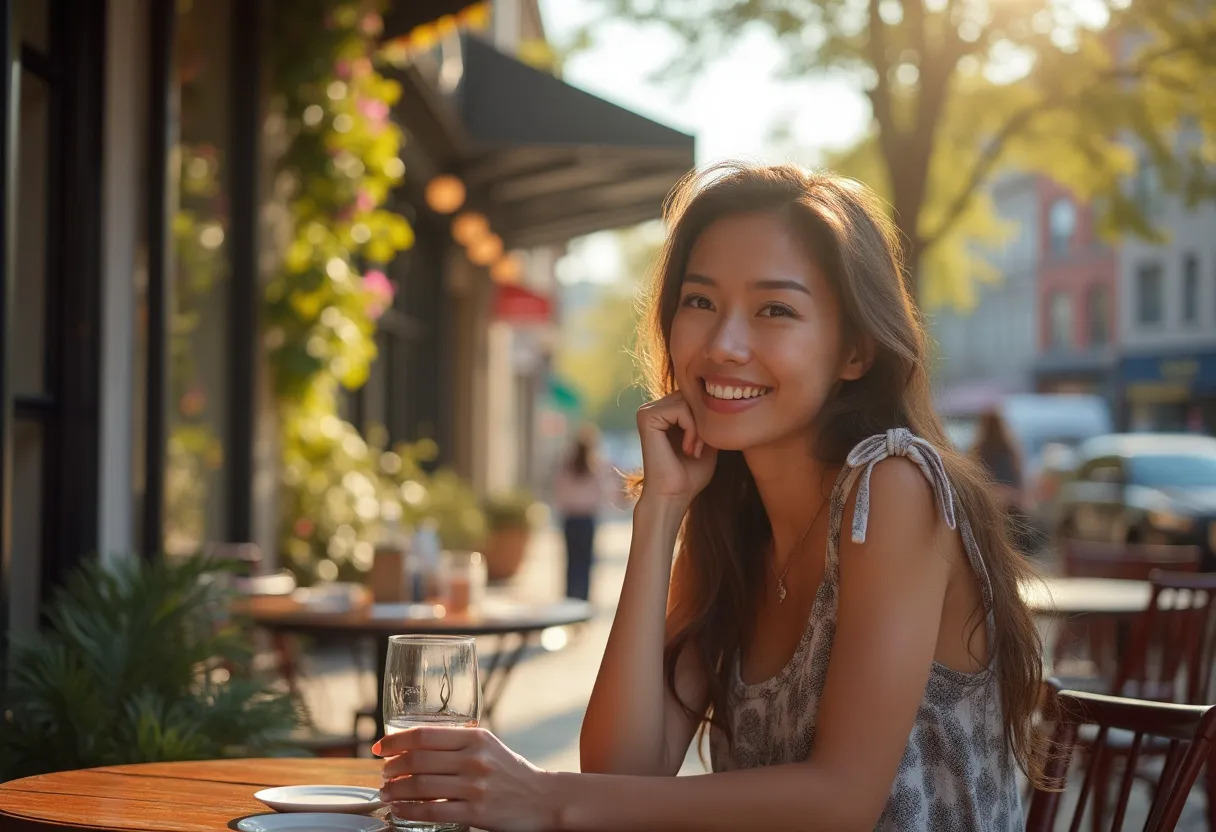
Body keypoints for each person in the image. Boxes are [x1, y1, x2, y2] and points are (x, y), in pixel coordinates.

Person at [373, 163, 1044, 831]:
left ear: (855, 351)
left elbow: (840, 802)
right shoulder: (736, 522)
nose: (723, 344)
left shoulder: (894, 486)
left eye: (774, 310)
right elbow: (622, 771)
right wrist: (660, 511)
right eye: (699, 302)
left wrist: (544, 797)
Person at [553, 428, 609, 601]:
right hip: (586, 519)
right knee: (585, 562)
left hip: (571, 518)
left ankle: (570, 598)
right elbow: (602, 494)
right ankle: (583, 599)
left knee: (571, 561)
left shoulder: (566, 467)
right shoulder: (595, 467)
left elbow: (559, 493)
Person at [970, 407, 1032, 552]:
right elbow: (1020, 483)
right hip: (1011, 507)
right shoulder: (1012, 452)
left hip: (988, 507)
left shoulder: (977, 451)